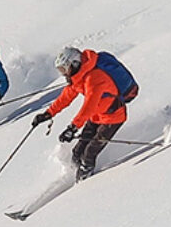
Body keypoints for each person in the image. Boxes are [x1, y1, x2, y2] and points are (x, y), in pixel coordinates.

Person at [32, 46, 138, 181]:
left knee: (89, 153)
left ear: (74, 64)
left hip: (112, 118)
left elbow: (89, 105)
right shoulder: (78, 76)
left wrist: (73, 127)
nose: (64, 74)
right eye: (61, 71)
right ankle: (72, 175)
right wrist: (48, 113)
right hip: (96, 116)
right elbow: (66, 96)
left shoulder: (94, 78)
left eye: (65, 69)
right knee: (77, 152)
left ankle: (84, 183)